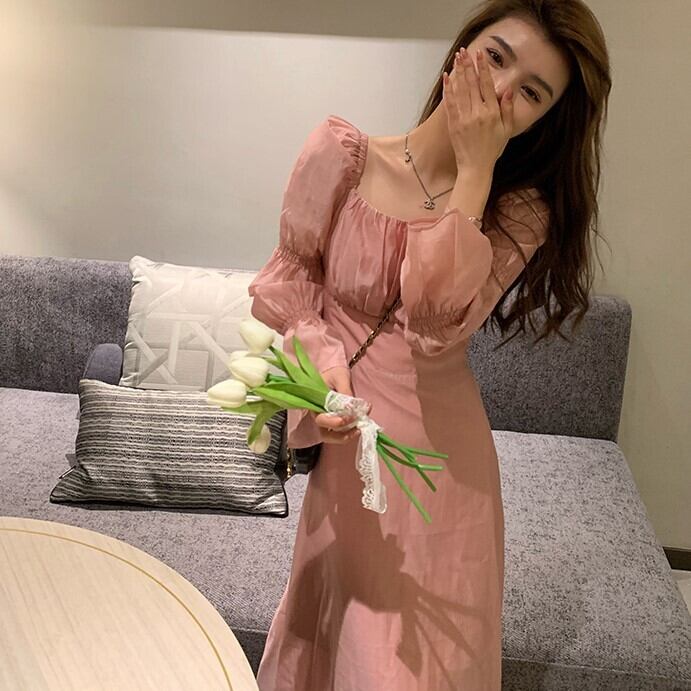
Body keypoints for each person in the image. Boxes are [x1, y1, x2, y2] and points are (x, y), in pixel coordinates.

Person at [248, 0, 611, 688]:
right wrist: (322, 376)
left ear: (543, 118)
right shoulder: (341, 155)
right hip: (347, 452)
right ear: (460, 51)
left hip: (440, 473)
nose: (500, 91)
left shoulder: (517, 213)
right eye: (496, 57)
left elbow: (435, 323)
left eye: (531, 92)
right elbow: (293, 283)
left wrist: (474, 173)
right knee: (334, 642)